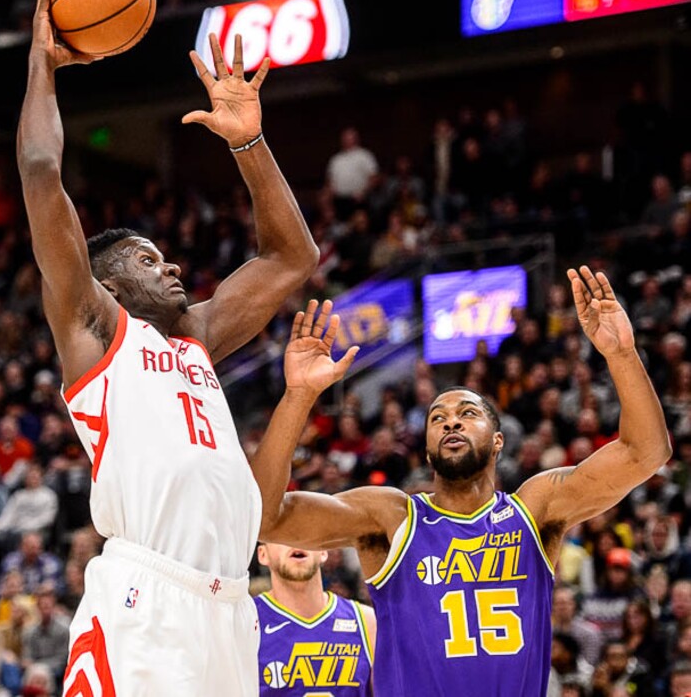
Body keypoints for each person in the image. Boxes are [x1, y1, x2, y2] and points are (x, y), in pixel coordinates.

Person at [17, 0, 318, 696]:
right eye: (151, 260)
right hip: (144, 600)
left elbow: (292, 257)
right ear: (113, 286)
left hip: (231, 606)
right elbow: (38, 166)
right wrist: (43, 64)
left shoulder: (198, 336)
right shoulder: (95, 328)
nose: (174, 263)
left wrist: (250, 145)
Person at [254, 268, 671, 696]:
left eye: (467, 413)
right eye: (438, 418)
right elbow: (266, 518)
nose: (451, 420)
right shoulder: (390, 517)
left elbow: (647, 453)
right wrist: (299, 396)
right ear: (427, 447)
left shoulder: (536, 509)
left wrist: (622, 354)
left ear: (497, 441)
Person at [255, 542, 374, 695]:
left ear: (323, 551)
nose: (296, 541)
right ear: (263, 554)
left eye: (304, 533)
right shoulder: (246, 623)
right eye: (282, 537)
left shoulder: (368, 622)